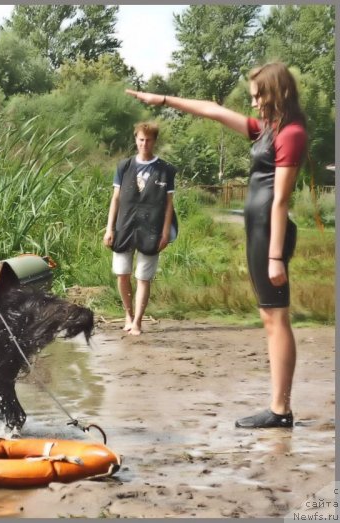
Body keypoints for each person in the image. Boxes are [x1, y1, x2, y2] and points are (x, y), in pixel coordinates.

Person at [126, 62, 307, 429]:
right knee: (269, 318)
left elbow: (280, 202)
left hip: (269, 235)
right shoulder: (267, 130)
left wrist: (275, 256)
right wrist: (161, 99)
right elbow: (213, 110)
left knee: (276, 318)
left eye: (259, 95)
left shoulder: (291, 133)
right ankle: (278, 407)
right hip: (258, 231)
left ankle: (280, 410)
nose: (254, 102)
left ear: (278, 92)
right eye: (252, 97)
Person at [103, 121, 177, 336]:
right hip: (124, 227)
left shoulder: (165, 170)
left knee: (143, 277)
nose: (145, 143)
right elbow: (115, 199)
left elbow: (169, 205)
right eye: (141, 139)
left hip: (151, 229)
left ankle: (137, 322)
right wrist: (109, 229)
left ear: (155, 141)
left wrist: (165, 232)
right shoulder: (124, 166)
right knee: (122, 273)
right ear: (136, 140)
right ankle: (127, 314)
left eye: (149, 140)